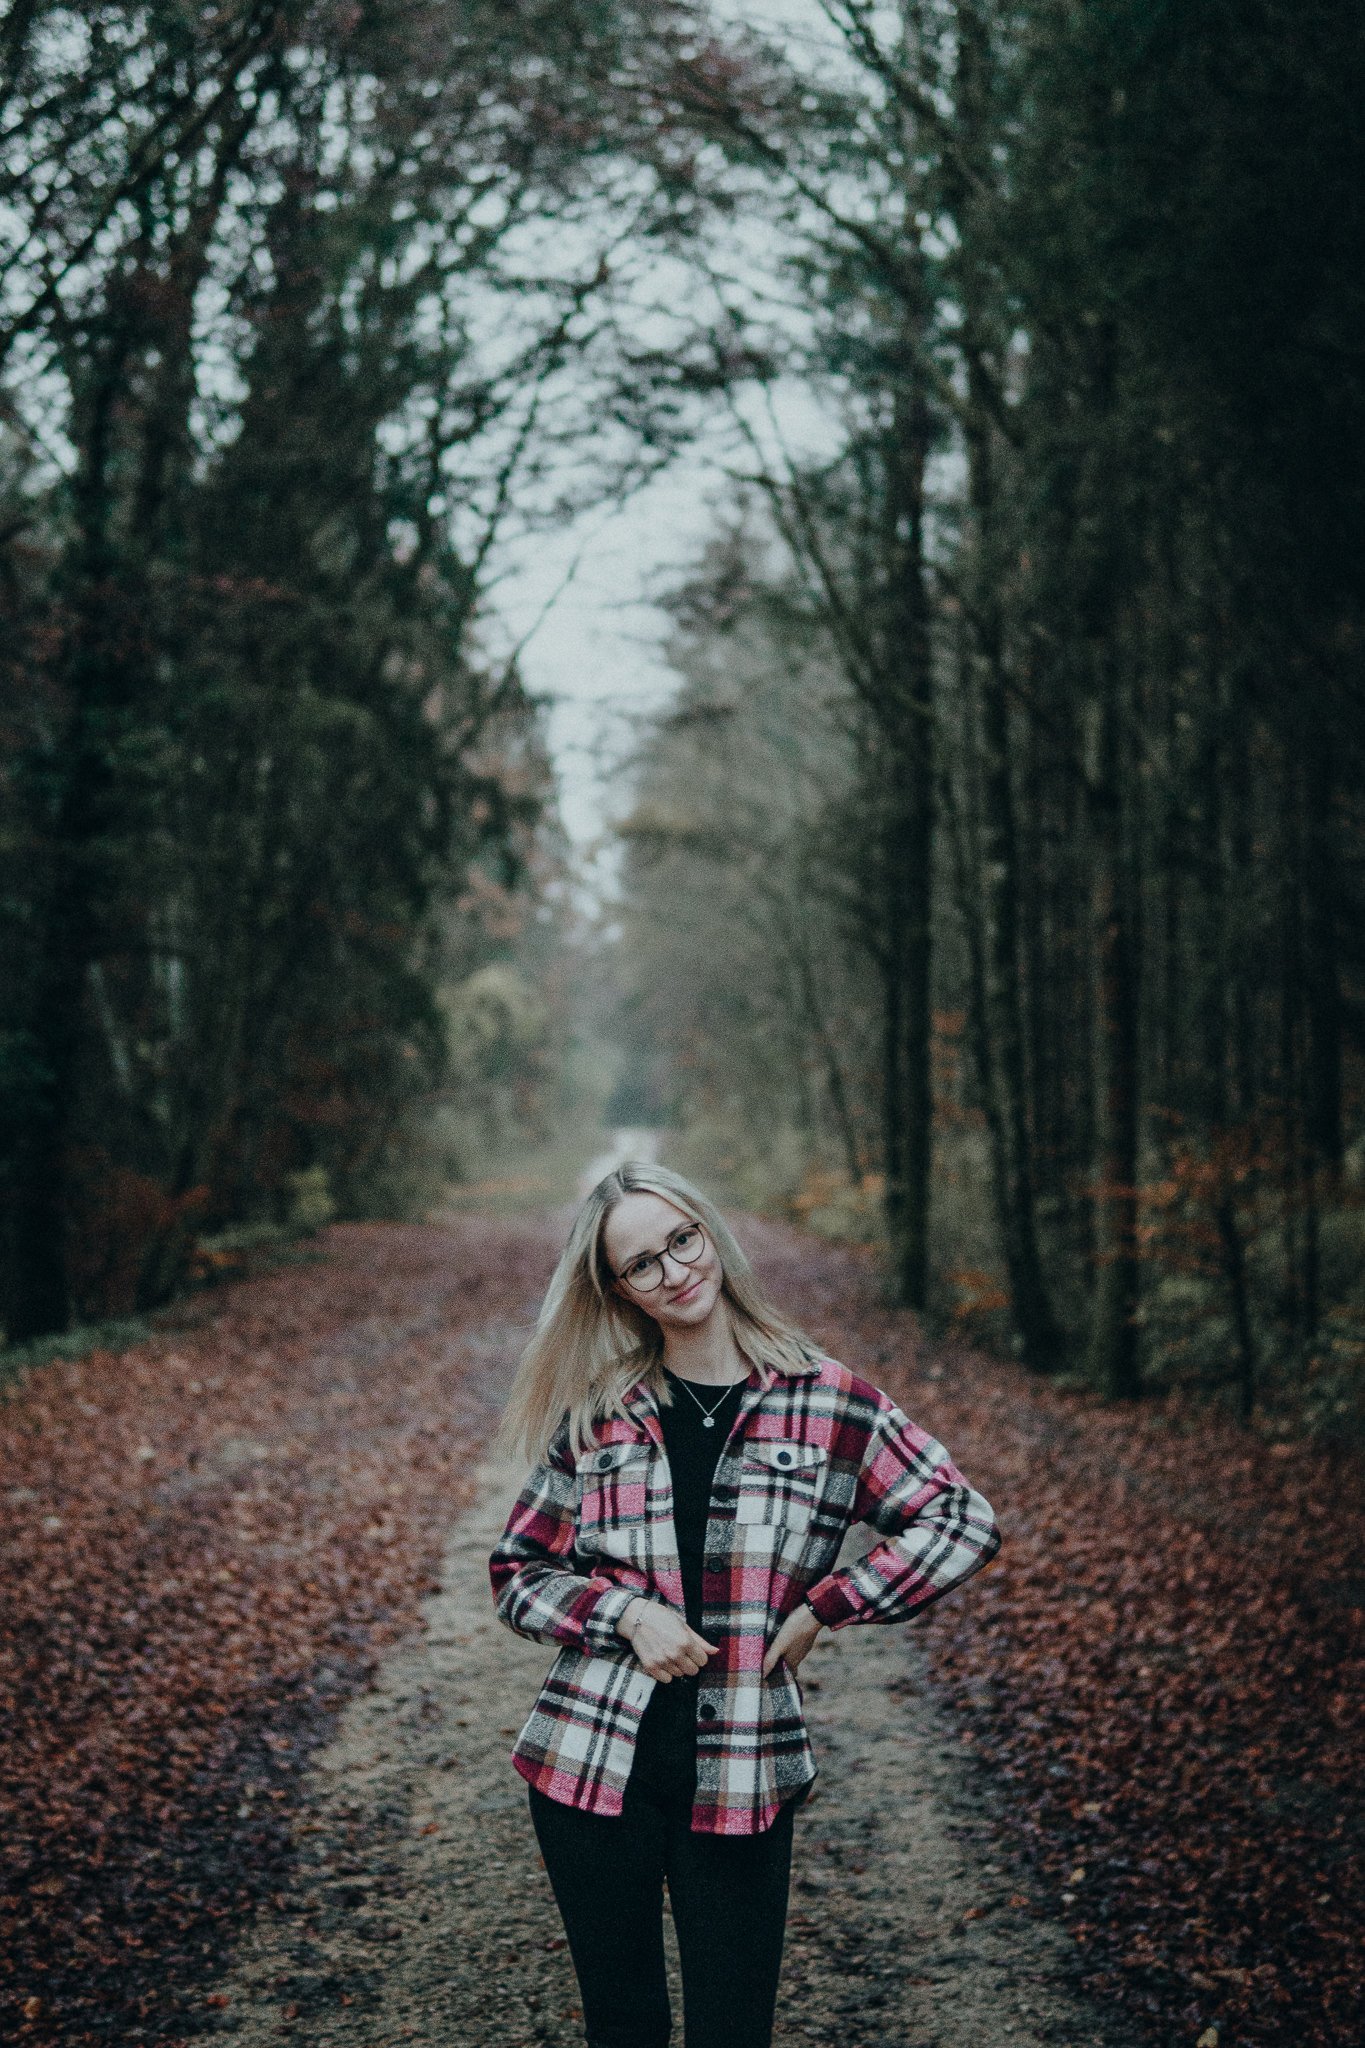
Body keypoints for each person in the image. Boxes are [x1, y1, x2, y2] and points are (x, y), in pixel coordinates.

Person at [488, 1161, 1001, 2048]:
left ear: (709, 1235)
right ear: (619, 1290)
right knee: (625, 2027)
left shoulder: (829, 1400)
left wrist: (827, 1606)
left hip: (741, 1770)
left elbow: (960, 1519)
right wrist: (624, 1616)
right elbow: (518, 1570)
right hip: (588, 1760)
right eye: (641, 1264)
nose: (673, 1271)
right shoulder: (600, 1411)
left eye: (680, 1241)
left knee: (734, 2030)